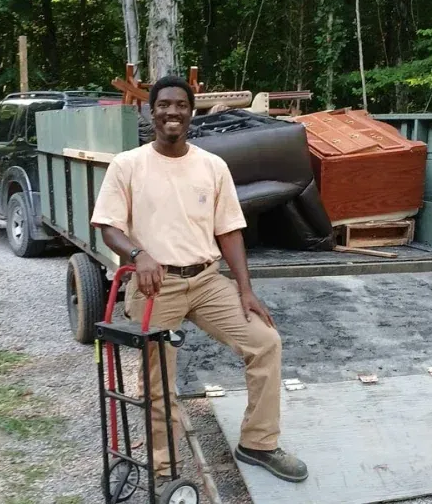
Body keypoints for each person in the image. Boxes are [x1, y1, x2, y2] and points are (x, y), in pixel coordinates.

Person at [90, 75, 309, 487]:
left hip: (207, 281)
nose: (172, 112)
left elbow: (229, 231)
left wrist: (245, 289)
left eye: (180, 105)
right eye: (163, 104)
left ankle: (258, 442)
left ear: (192, 113)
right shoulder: (128, 165)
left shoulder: (212, 166)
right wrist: (139, 254)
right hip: (156, 285)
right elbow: (108, 227)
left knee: (265, 342)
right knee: (159, 379)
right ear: (150, 111)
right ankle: (164, 467)